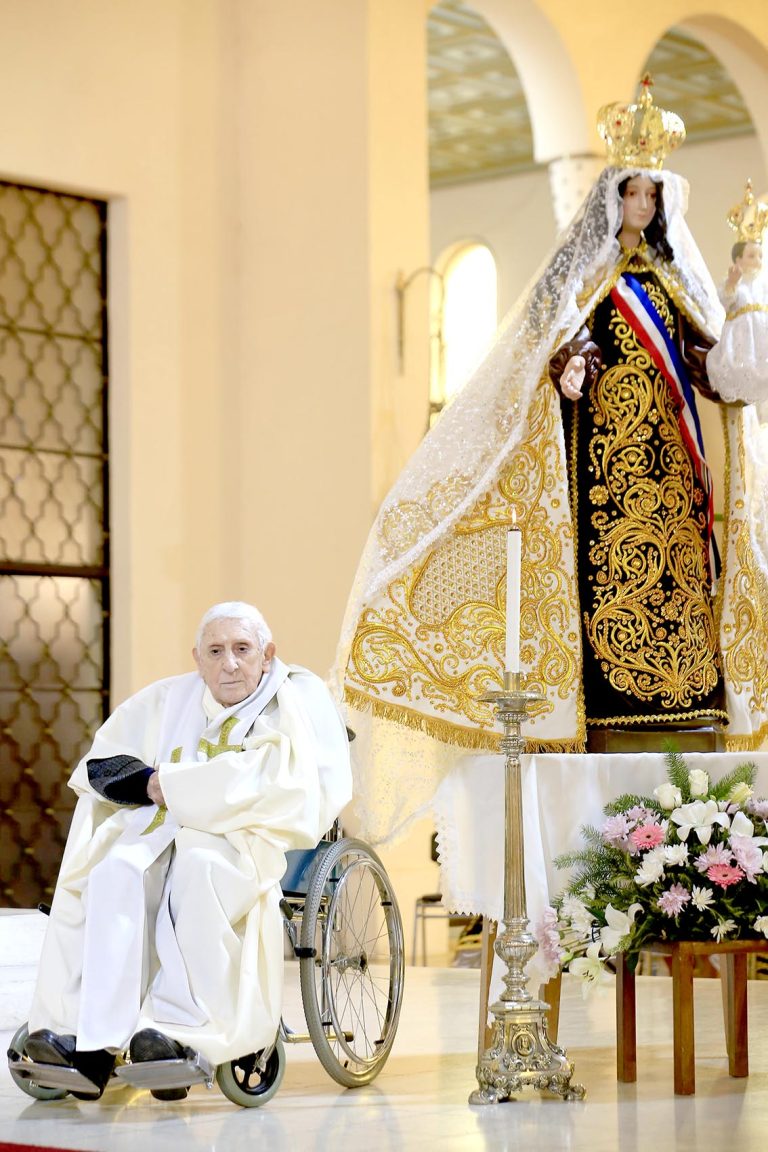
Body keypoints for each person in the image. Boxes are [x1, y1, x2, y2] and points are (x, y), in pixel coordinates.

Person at [331, 77, 768, 851]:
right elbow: (548, 356)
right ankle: (606, 710)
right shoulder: (581, 283)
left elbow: (721, 375)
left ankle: (692, 707)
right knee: (608, 586)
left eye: (653, 195)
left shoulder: (677, 285)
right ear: (613, 198)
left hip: (675, 483)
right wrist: (567, 366)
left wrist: (744, 300)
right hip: (601, 483)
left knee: (679, 590)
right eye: (632, 193)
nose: (643, 206)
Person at [24, 601, 352, 1098]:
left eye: (242, 649)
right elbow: (102, 763)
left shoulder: (295, 697)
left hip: (247, 837)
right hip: (161, 831)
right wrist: (153, 785)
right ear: (197, 659)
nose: (230, 664)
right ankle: (86, 1041)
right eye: (215, 652)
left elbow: (286, 781)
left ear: (267, 654)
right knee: (113, 871)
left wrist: (172, 784)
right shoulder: (170, 697)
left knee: (197, 871)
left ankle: (176, 1032)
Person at [706, 179, 768, 411]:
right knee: (741, 374)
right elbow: (723, 301)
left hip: (762, 334)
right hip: (741, 336)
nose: (757, 261)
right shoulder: (734, 282)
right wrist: (732, 284)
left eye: (760, 256)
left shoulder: (762, 283)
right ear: (738, 259)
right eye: (751, 256)